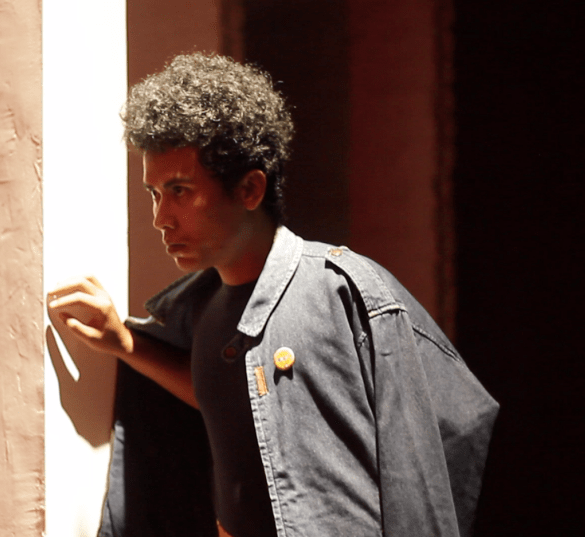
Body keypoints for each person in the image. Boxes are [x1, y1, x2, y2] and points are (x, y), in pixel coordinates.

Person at [48, 53, 498, 537]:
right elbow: (225, 395)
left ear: (250, 189)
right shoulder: (205, 312)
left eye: (179, 191)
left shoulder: (336, 291)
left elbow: (445, 434)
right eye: (154, 194)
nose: (161, 218)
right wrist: (127, 342)